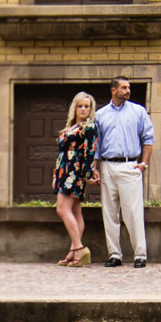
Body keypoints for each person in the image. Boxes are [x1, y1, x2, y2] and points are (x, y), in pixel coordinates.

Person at [92, 76, 156, 268]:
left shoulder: (138, 111)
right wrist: (94, 168)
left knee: (133, 212)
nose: (128, 91)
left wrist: (143, 164)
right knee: (109, 212)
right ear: (114, 90)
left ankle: (140, 255)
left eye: (129, 87)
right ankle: (114, 255)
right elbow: (96, 144)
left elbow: (148, 138)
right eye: (124, 88)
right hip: (107, 165)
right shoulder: (101, 115)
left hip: (130, 165)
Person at [51, 91, 99, 266]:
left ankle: (79, 248)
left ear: (91, 109)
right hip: (63, 171)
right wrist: (55, 174)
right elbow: (61, 154)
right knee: (75, 211)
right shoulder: (70, 127)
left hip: (74, 172)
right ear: (75, 107)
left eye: (87, 106)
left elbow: (89, 152)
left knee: (62, 209)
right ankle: (73, 252)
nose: (83, 109)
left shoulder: (89, 127)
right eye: (80, 106)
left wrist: (88, 175)